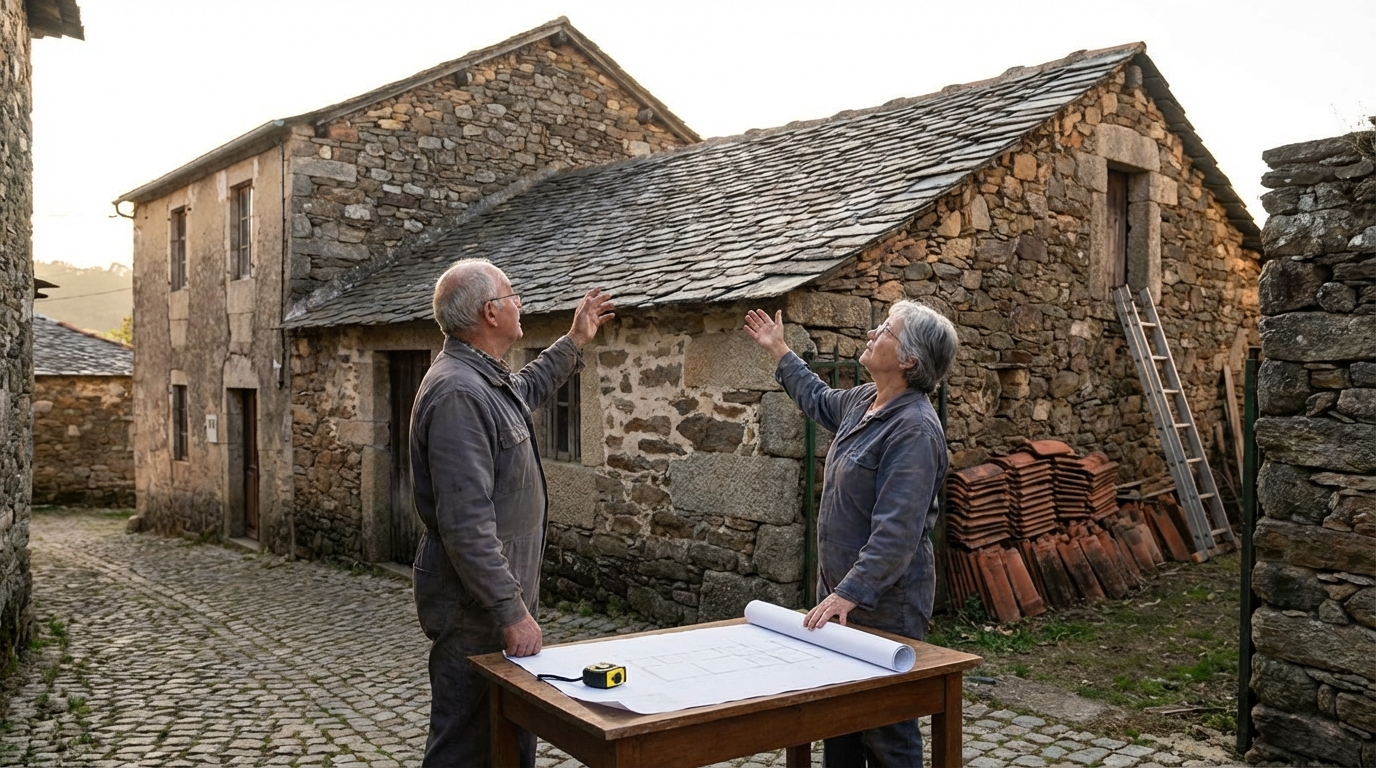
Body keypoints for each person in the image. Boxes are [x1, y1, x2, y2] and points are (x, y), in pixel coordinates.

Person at [411, 258, 614, 767]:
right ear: (489, 313)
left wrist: (575, 340)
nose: (520, 302)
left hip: (487, 602)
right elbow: (466, 526)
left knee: (504, 738)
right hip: (473, 606)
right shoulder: (458, 392)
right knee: (466, 743)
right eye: (512, 295)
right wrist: (512, 611)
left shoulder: (482, 381)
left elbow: (525, 392)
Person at [743, 300, 958, 768]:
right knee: (839, 724)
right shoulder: (864, 401)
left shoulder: (915, 430)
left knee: (887, 731)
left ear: (909, 361)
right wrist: (780, 351)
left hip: (885, 606)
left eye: (886, 330)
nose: (872, 333)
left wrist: (849, 593)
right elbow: (819, 399)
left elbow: (896, 532)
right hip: (840, 600)